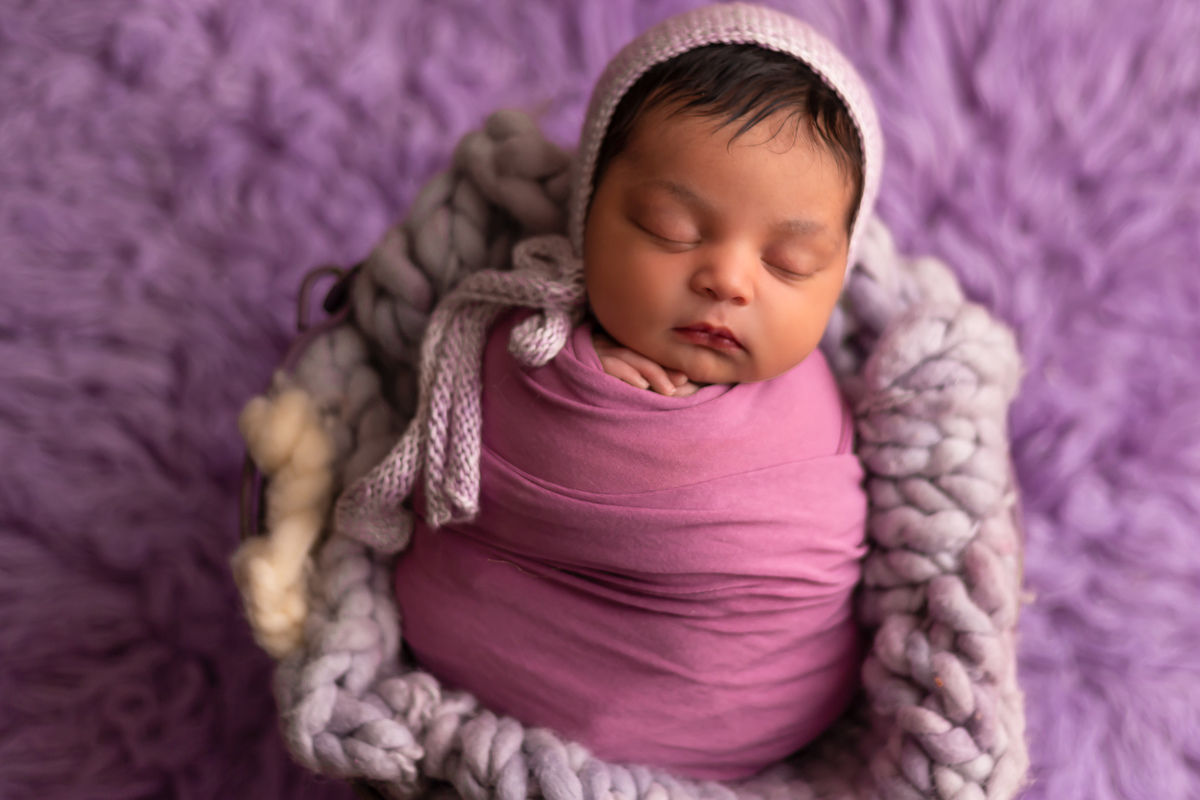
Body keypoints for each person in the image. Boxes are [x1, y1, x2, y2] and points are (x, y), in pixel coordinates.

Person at [342, 2, 884, 782]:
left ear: (839, 277)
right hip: (468, 708)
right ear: (587, 215)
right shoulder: (515, 339)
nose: (728, 280)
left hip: (749, 732)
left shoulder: (835, 406)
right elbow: (454, 441)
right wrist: (577, 387)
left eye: (791, 263)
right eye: (670, 227)